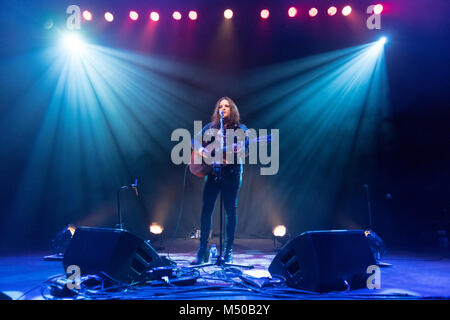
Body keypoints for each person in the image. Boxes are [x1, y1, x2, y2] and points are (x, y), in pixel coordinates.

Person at [191, 97, 248, 265]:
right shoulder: (210, 127)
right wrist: (202, 150)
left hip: (232, 173)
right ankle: (203, 250)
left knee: (230, 210)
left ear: (232, 109)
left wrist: (239, 150)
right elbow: (194, 140)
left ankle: (228, 251)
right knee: (206, 209)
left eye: (227, 106)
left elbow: (246, 150)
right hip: (213, 173)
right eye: (220, 106)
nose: (223, 108)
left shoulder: (241, 129)